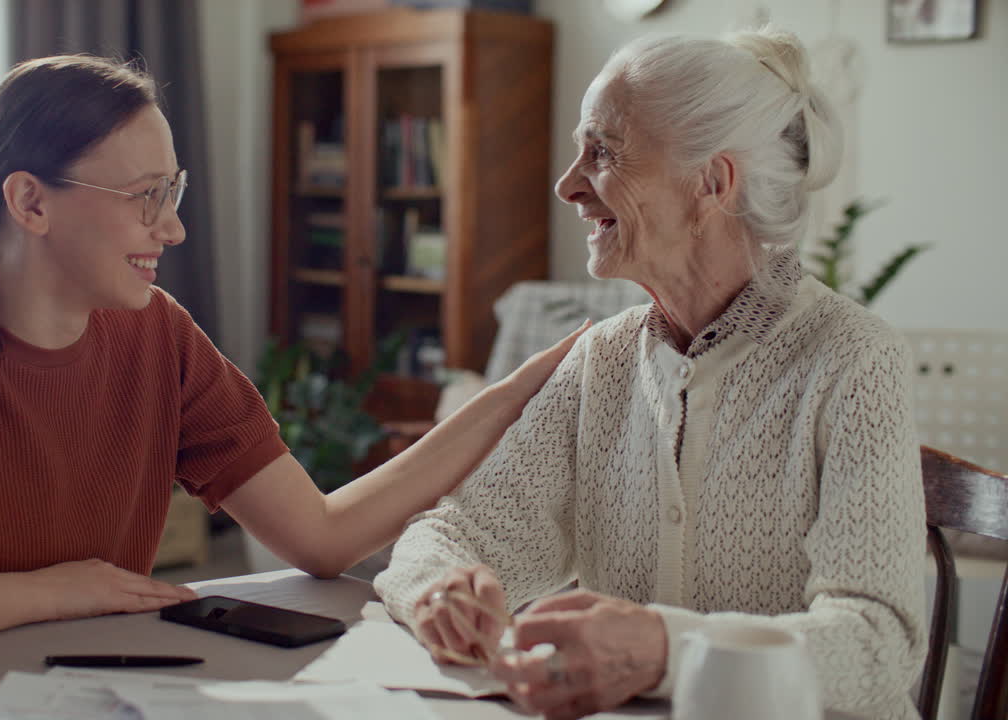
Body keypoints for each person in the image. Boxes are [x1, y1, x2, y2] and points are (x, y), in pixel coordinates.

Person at [0, 55, 581, 671]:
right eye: (145, 197)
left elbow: (322, 537)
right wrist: (52, 591)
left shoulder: (158, 335)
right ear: (31, 201)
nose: (173, 228)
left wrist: (512, 393)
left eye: (173, 194)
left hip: (94, 685)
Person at [374, 26, 926, 720]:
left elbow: (878, 644)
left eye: (602, 151)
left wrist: (664, 649)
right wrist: (441, 589)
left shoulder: (853, 360)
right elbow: (453, 533)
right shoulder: (601, 360)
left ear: (712, 182)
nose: (568, 185)